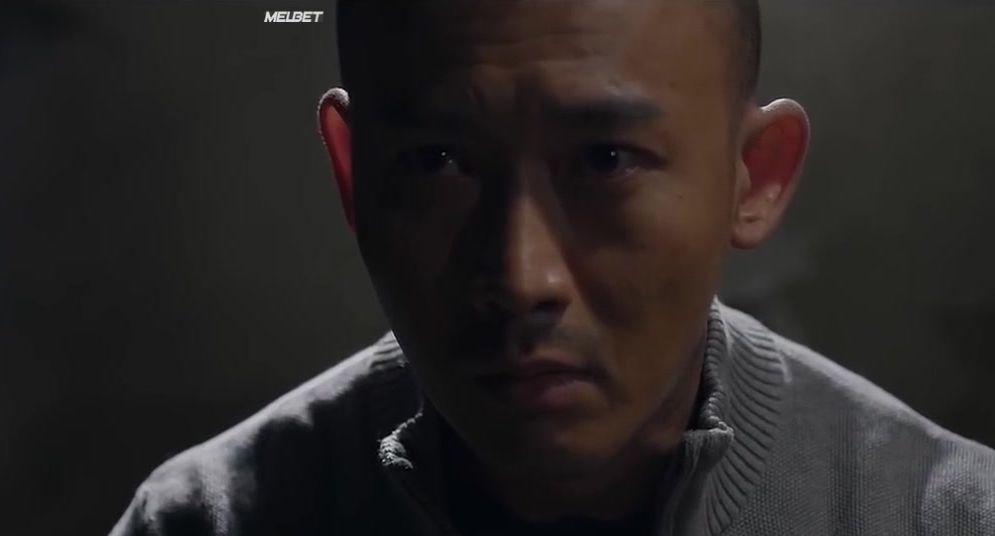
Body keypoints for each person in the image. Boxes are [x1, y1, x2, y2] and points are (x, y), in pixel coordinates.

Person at [110, 1, 995, 534]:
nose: (521, 277)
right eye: (437, 163)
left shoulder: (947, 517)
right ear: (353, 173)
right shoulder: (206, 521)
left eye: (606, 161)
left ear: (754, 176)